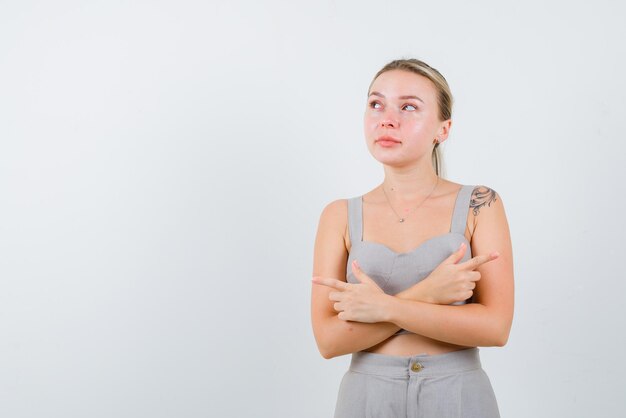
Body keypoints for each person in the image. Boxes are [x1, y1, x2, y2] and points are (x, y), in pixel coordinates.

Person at [310, 58, 514, 418]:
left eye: (409, 107)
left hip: (458, 395)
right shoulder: (339, 215)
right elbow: (328, 340)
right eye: (376, 104)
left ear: (443, 128)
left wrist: (385, 307)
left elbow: (495, 327)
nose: (387, 118)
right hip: (367, 398)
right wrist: (428, 293)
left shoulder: (481, 204)